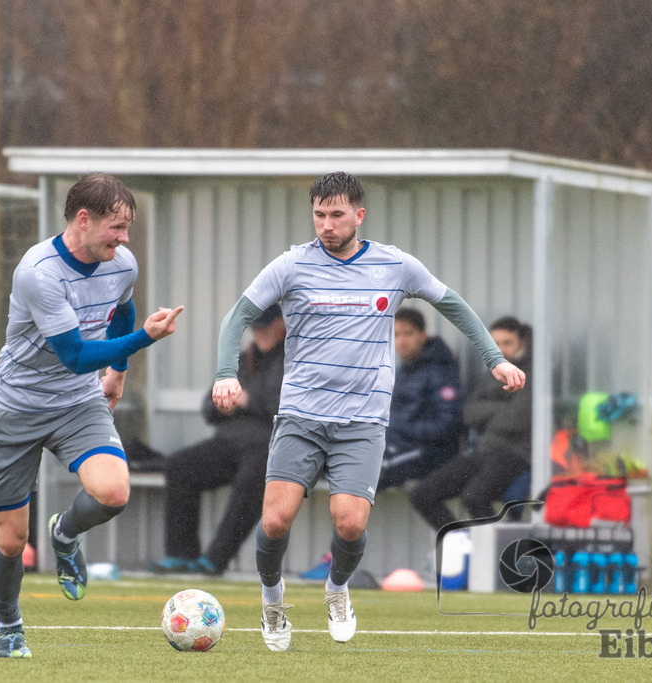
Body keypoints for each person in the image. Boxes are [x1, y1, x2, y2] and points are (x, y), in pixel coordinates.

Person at [212, 171, 525, 651]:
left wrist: (495, 360)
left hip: (362, 421)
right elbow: (237, 316)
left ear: (359, 215)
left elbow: (452, 304)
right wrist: (225, 374)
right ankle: (272, 602)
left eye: (336, 215)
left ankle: (337, 591)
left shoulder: (393, 265)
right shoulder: (292, 265)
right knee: (275, 521)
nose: (326, 225)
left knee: (351, 522)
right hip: (301, 417)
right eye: (319, 215)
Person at [0, 172, 184, 659]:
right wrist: (145, 342)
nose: (125, 238)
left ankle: (65, 534)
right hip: (18, 406)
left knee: (114, 491)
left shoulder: (122, 264)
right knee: (10, 542)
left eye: (128, 227)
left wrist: (118, 371)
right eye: (117, 227)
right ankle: (9, 626)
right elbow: (72, 354)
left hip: (77, 401)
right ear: (84, 219)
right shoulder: (39, 272)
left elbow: (121, 311)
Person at [300, 306, 463, 579]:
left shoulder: (440, 372)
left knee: (364, 474)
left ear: (423, 336)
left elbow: (447, 427)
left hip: (430, 453)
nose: (401, 340)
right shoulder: (402, 369)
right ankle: (336, 557)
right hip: (399, 448)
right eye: (396, 334)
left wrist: (398, 428)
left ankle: (337, 560)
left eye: (408, 333)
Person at [150, 304, 285, 576]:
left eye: (266, 327)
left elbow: (286, 409)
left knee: (253, 476)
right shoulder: (241, 359)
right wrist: (221, 405)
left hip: (269, 446)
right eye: (256, 328)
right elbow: (208, 409)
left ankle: (215, 558)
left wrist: (248, 401)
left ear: (281, 325)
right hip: (230, 441)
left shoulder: (294, 359)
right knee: (179, 466)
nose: (260, 334)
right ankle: (181, 555)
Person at [409, 317, 533, 530]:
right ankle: (461, 545)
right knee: (422, 494)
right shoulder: (495, 371)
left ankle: (493, 555)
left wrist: (488, 411)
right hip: (483, 452)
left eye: (507, 343)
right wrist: (499, 408)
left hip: (514, 454)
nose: (501, 350)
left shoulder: (531, 373)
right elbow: (469, 414)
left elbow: (515, 420)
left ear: (521, 343)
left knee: (474, 497)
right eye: (495, 344)